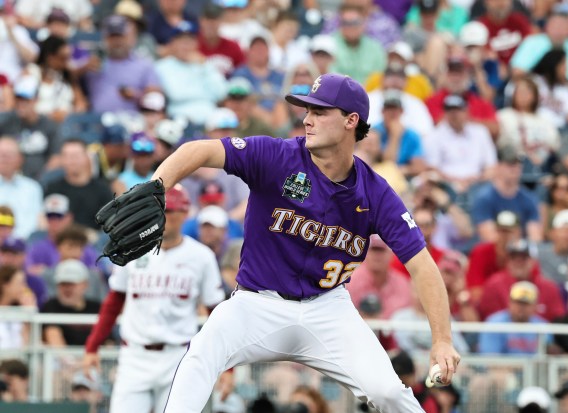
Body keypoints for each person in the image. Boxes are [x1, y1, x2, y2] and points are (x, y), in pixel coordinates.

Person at [149, 73, 460, 412]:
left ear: (350, 121)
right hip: (256, 303)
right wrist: (155, 188)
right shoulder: (276, 156)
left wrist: (442, 340)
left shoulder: (376, 192)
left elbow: (422, 264)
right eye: (307, 110)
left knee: (387, 392)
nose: (307, 119)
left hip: (328, 309)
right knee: (200, 355)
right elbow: (199, 150)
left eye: (320, 111)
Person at [82, 185, 226, 413]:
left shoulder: (201, 257)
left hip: (179, 355)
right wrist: (92, 346)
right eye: (159, 210)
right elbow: (113, 302)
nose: (164, 217)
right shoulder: (132, 249)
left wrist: (228, 367)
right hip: (135, 355)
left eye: (170, 211)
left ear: (185, 214)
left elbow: (215, 312)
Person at [41, 259, 101, 346]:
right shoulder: (51, 306)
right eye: (63, 284)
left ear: (85, 285)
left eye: (72, 284)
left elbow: (108, 342)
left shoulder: (96, 308)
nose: (67, 288)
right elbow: (54, 339)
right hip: (63, 358)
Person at [478, 281, 548, 355]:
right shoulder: (494, 324)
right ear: (510, 302)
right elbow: (490, 359)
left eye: (526, 303)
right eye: (518, 302)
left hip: (533, 366)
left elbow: (547, 359)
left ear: (535, 305)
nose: (521, 307)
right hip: (506, 365)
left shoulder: (542, 326)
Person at [0, 136, 43, 239]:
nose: (5, 159)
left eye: (9, 155)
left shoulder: (32, 188)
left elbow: (37, 221)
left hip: (24, 246)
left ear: (20, 159)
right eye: (1, 155)